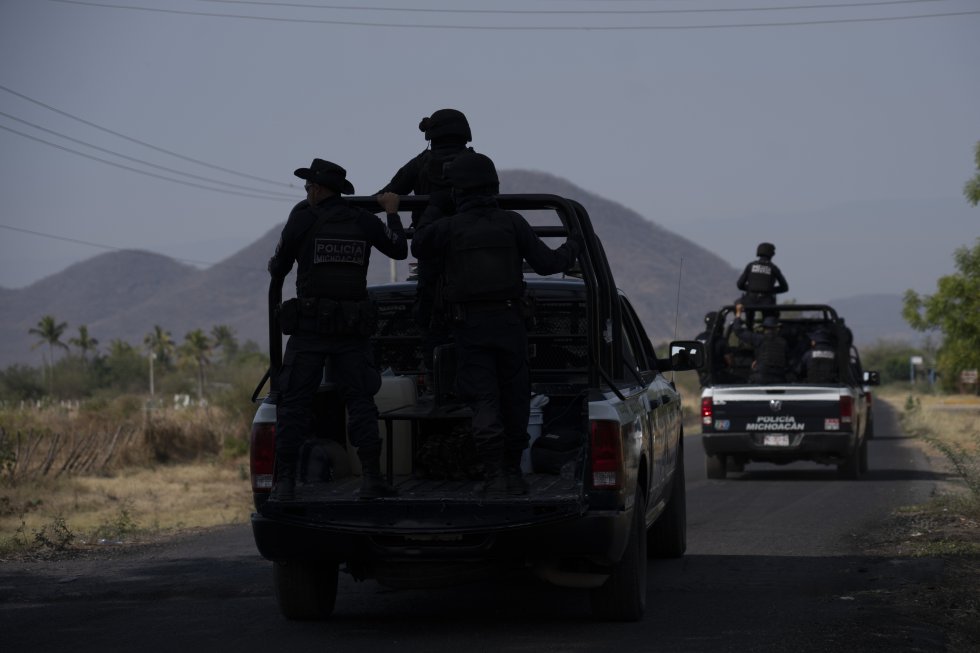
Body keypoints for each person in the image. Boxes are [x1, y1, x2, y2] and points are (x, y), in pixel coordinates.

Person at [411, 151, 580, 495]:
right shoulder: (512, 223)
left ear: (458, 190)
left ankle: (494, 477)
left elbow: (419, 245)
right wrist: (572, 247)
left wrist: (435, 205)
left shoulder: (450, 227)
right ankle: (513, 474)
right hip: (510, 323)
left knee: (485, 401)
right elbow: (547, 264)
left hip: (470, 327)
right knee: (516, 398)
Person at [267, 158, 408, 501]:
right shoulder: (364, 221)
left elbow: (279, 267)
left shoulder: (302, 220)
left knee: (295, 406)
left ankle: (284, 483)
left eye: (307, 188)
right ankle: (371, 479)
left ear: (315, 189)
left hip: (311, 329)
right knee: (360, 402)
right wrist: (390, 211)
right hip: (350, 330)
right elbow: (399, 249)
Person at [376, 108, 476, 382]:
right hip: (471, 256)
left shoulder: (420, 163)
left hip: (430, 251)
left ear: (432, 135)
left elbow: (387, 192)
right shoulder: (476, 163)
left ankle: (435, 381)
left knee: (430, 320)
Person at [732, 305, 788, 384]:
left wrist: (738, 313)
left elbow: (738, 330)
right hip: (779, 379)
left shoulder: (759, 339)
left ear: (764, 328)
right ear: (776, 328)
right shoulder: (783, 342)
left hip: (761, 378)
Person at [736, 242, 789, 308]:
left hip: (749, 300)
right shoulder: (773, 268)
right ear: (771, 254)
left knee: (738, 304)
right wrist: (769, 290)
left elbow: (739, 284)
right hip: (767, 301)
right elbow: (785, 288)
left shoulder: (750, 266)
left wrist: (751, 288)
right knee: (770, 317)